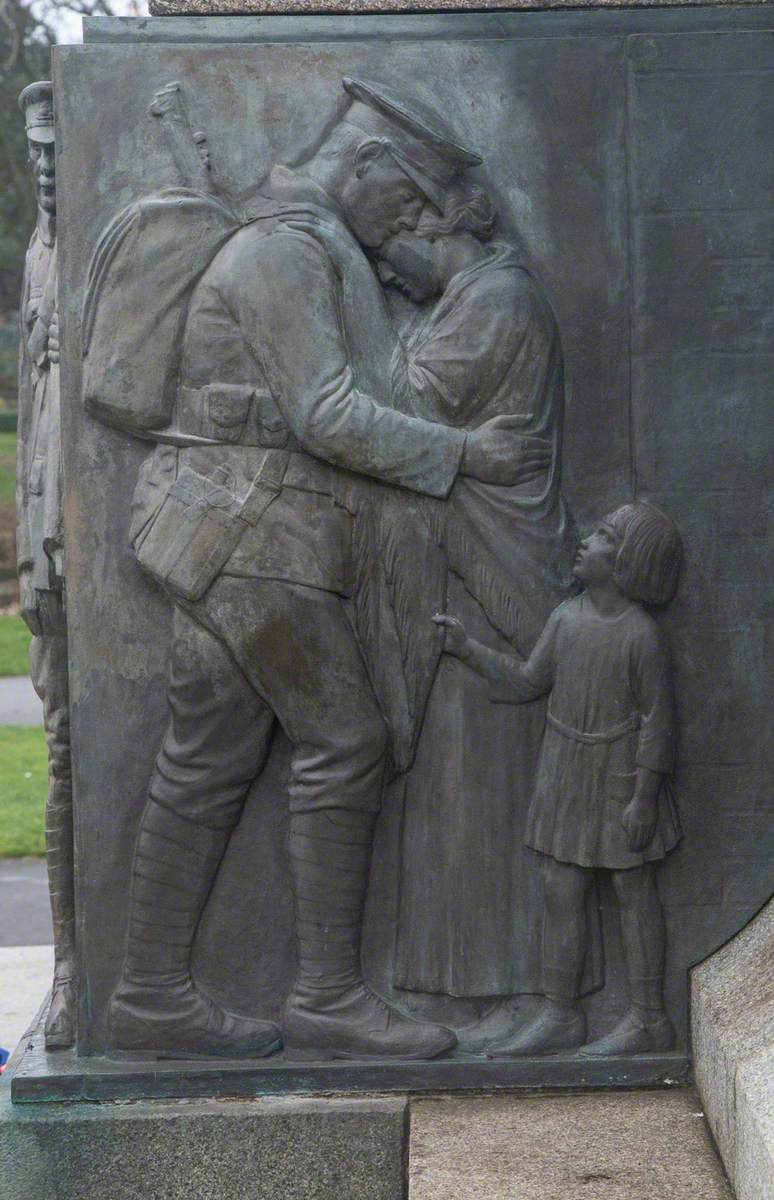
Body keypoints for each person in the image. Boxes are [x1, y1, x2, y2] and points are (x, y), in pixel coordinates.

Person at [91, 78, 553, 1061]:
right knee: (345, 741)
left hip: (219, 530)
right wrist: (467, 455)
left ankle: (148, 995)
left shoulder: (303, 240)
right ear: (366, 163)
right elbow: (328, 415)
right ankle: (328, 997)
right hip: (253, 535)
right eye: (407, 197)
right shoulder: (286, 252)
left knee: (205, 760)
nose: (413, 220)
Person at [287, 185, 579, 1043]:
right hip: (457, 573)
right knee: (455, 786)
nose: (384, 271)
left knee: (478, 783)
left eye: (387, 252)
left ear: (433, 223)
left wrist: (338, 294)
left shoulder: (495, 300)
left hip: (494, 580)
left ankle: (516, 990)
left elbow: (396, 402)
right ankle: (464, 990)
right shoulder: (476, 297)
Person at [433, 501, 683, 1056]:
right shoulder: (566, 618)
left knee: (632, 888)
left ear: (626, 565)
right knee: (561, 888)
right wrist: (466, 648)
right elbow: (527, 680)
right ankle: (561, 1013)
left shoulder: (641, 636)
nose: (584, 541)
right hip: (567, 770)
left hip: (620, 779)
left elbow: (658, 724)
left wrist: (644, 798)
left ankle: (647, 1017)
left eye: (600, 536)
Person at [16, 81, 75, 1049]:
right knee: (65, 749)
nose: (46, 168)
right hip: (51, 540)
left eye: (58, 148)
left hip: (109, 540)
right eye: (33, 154)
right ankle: (73, 964)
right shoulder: (37, 249)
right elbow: (34, 408)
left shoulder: (114, 240)